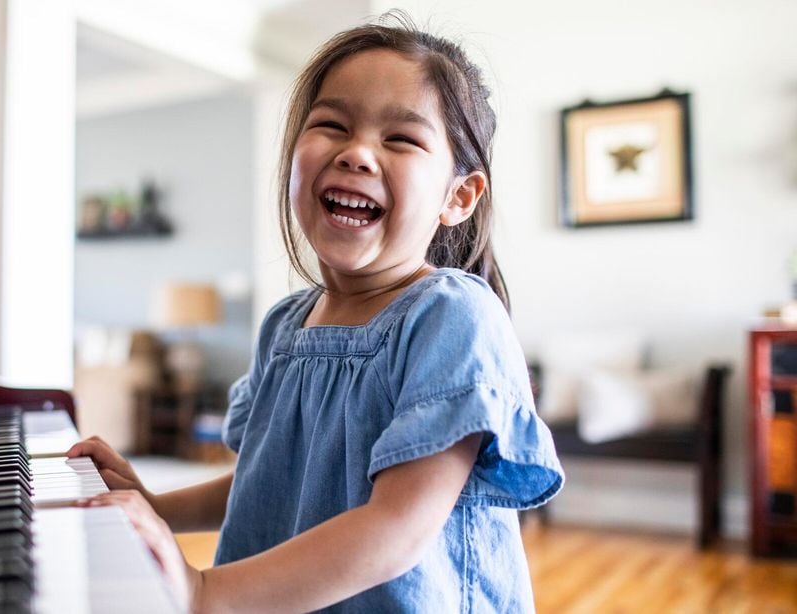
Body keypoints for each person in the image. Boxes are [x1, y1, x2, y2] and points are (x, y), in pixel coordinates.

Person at [67, 12, 564, 613]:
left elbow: (396, 530)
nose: (357, 152)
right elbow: (267, 486)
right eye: (331, 124)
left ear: (457, 197)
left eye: (400, 138)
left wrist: (207, 592)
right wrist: (151, 505)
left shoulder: (451, 319)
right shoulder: (284, 326)